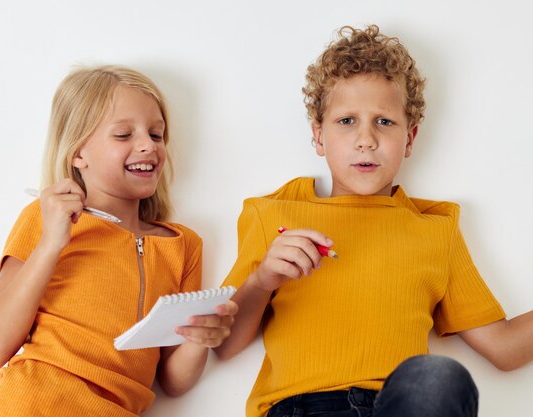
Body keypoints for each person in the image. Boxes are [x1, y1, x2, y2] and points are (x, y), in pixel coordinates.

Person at [214, 25, 533, 417]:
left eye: (384, 122)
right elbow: (225, 345)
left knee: (440, 376)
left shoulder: (435, 229)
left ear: (410, 138)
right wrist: (262, 279)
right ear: (318, 136)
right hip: (302, 408)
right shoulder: (274, 215)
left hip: (398, 406)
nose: (366, 139)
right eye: (347, 121)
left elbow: (504, 348)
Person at [0, 65, 237, 416]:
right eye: (123, 134)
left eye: (157, 135)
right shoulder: (45, 219)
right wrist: (52, 242)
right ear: (78, 153)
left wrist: (200, 338)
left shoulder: (183, 245)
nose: (148, 145)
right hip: (33, 404)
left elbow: (173, 381)